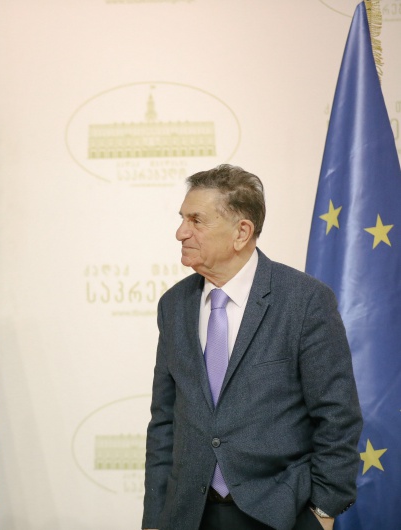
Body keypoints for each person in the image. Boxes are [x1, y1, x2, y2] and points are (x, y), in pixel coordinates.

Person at [142, 164, 361, 530]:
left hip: (280, 515)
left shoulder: (304, 300)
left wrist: (324, 510)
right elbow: (164, 421)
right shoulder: (174, 305)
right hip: (188, 516)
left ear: (241, 232)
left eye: (196, 220)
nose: (181, 232)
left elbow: (337, 415)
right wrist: (154, 519)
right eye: (182, 219)